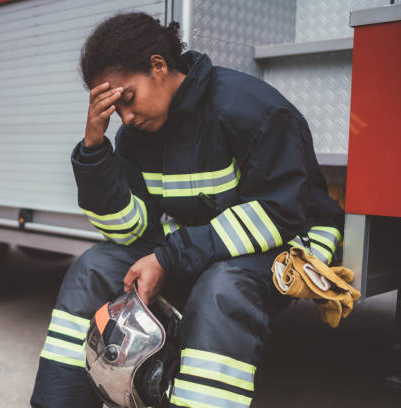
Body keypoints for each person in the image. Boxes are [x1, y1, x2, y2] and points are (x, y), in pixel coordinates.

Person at [30, 12, 343, 408]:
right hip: (202, 247)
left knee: (222, 289)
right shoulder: (136, 136)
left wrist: (169, 257)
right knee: (93, 267)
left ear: (159, 67)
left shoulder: (253, 109)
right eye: (115, 110)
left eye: (128, 99)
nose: (125, 118)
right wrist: (94, 151)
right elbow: (130, 232)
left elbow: (275, 215)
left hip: (287, 244)